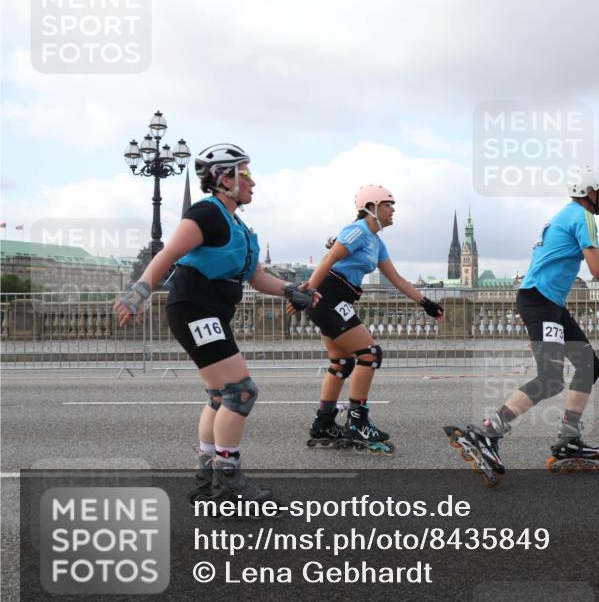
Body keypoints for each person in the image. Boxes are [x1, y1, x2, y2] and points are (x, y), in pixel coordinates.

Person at [114, 143, 320, 504]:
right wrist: (138, 293)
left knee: (219, 396)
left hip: (208, 309)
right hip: (194, 307)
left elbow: (255, 278)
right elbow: (169, 253)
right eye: (246, 173)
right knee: (241, 392)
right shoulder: (206, 214)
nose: (252, 182)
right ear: (224, 177)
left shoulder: (236, 223)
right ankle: (228, 483)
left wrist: (290, 289)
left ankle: (207, 479)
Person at [445, 166, 599, 486]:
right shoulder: (584, 218)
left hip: (546, 304)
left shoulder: (565, 215)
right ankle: (487, 433)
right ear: (590, 192)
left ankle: (569, 438)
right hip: (541, 303)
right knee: (551, 378)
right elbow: (598, 270)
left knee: (588, 365)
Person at [298, 184, 444, 454]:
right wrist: (308, 293)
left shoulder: (377, 242)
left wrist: (425, 302)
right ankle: (357, 422)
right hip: (329, 296)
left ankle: (323, 423)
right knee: (370, 353)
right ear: (372, 207)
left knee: (342, 362)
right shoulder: (357, 231)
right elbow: (329, 259)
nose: (393, 210)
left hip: (337, 298)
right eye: (389, 204)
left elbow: (396, 279)